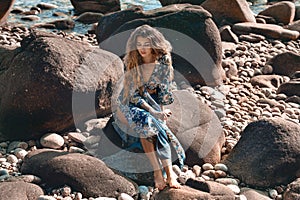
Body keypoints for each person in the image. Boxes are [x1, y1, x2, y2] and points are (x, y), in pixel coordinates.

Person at [112, 24, 185, 190]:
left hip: (151, 102)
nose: (142, 49)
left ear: (154, 44)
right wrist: (153, 112)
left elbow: (164, 88)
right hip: (128, 103)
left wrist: (161, 111)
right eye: (139, 45)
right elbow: (132, 95)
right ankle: (158, 172)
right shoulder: (133, 60)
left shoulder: (163, 60)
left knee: (157, 127)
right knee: (146, 121)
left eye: (146, 44)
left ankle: (169, 174)